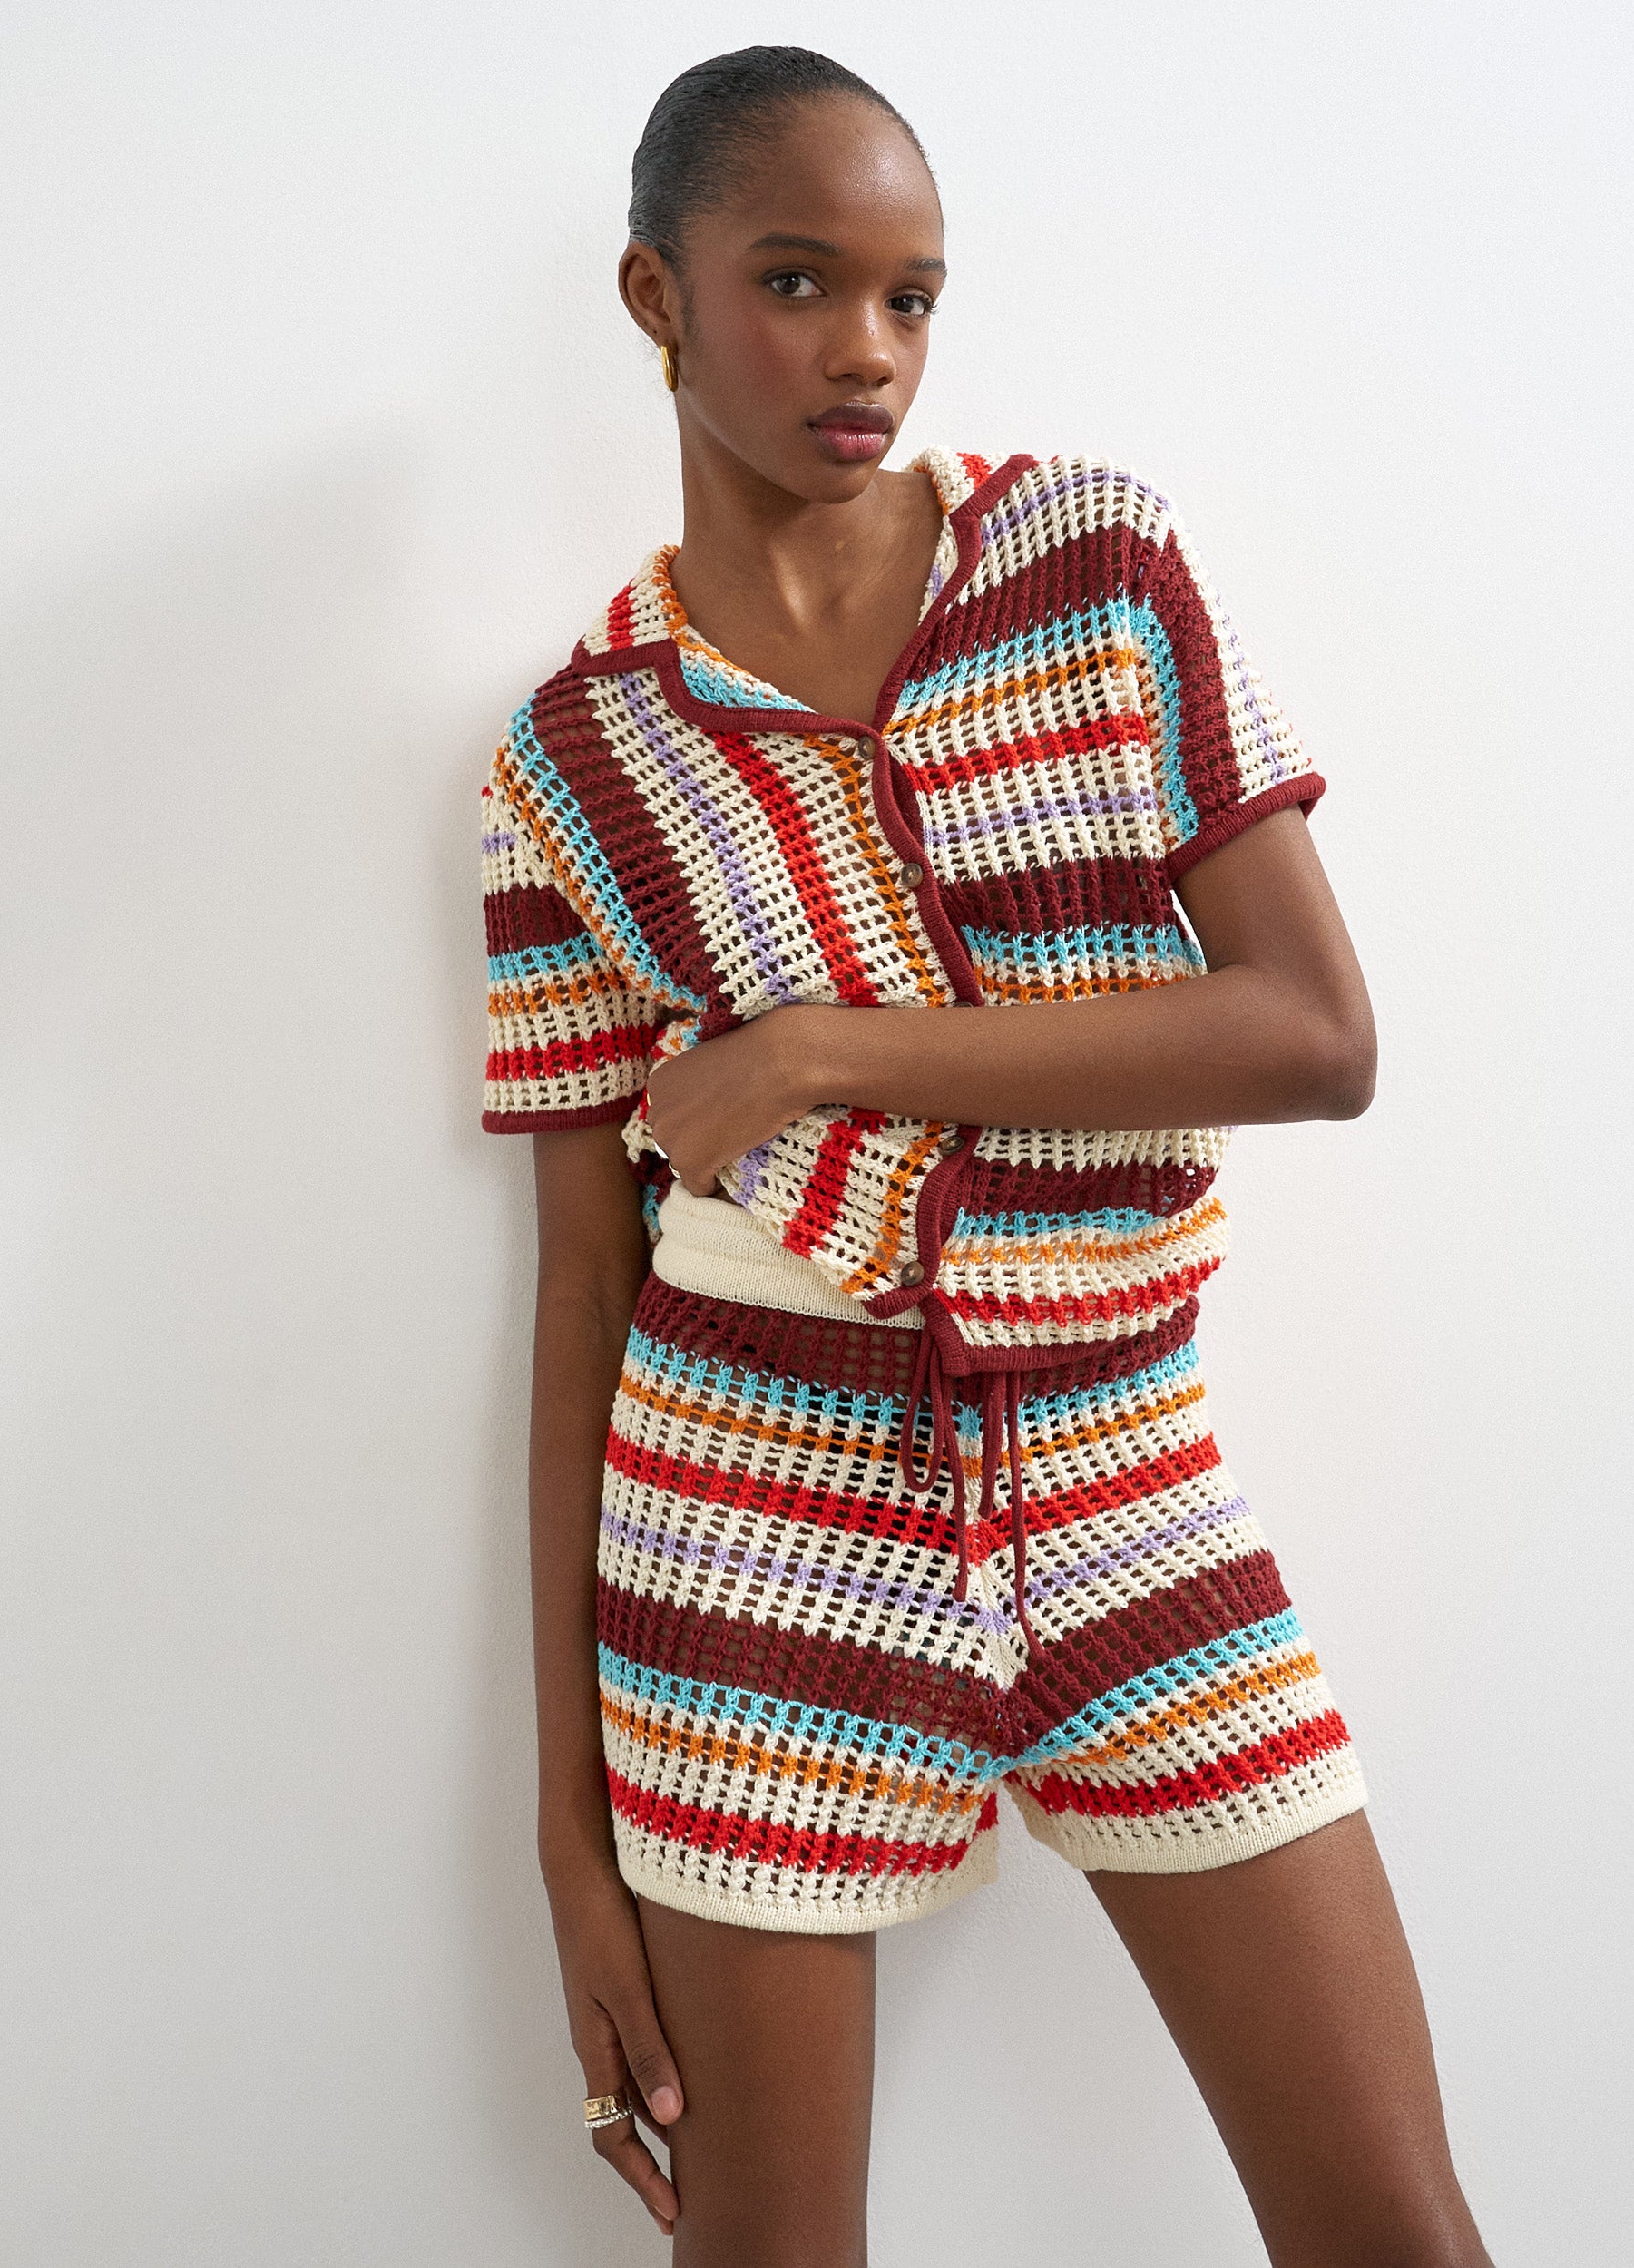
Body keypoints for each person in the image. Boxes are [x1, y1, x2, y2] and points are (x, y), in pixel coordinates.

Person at [480, 44, 1492, 2268]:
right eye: (794, 280)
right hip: (746, 1514)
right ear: (655, 297)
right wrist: (566, 1841)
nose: (865, 349)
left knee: (1393, 2228)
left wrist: (812, 1054)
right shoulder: (575, 753)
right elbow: (581, 1282)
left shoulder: (1093, 562)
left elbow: (1312, 1036)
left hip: (1121, 1468)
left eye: (909, 295)